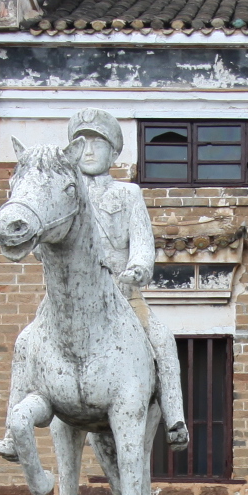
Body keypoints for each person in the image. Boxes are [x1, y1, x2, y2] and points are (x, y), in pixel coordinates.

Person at [66, 109, 187, 449]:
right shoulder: (67, 194)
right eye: (81, 143)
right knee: (29, 343)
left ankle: (175, 418)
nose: (88, 151)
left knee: (162, 339)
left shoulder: (128, 194)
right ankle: (13, 427)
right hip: (74, 298)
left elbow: (143, 246)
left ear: (113, 152)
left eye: (97, 143)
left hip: (123, 294)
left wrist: (136, 269)